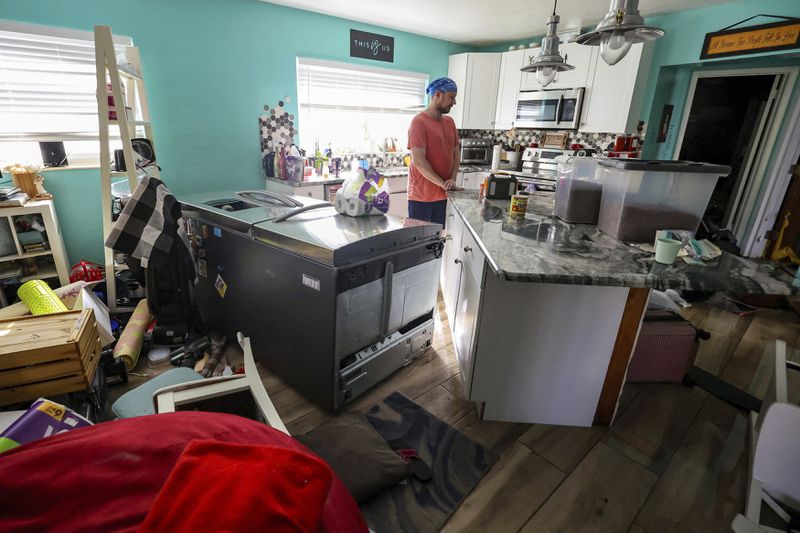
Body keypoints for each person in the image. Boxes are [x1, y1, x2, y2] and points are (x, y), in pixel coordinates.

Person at [407, 77, 461, 226]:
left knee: (437, 241)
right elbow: (418, 161)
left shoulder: (449, 122)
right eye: (451, 97)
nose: (454, 102)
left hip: (442, 196)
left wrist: (452, 179)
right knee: (419, 243)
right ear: (437, 95)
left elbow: (456, 153)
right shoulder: (419, 122)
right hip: (421, 197)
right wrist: (443, 184)